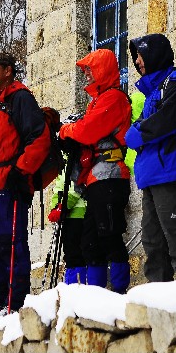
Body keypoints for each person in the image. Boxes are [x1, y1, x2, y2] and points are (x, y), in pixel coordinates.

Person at [124, 33, 176, 282]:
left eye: (140, 55)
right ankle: (158, 300)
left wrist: (138, 132)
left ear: (153, 54)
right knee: (153, 241)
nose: (137, 61)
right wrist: (137, 131)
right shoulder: (154, 90)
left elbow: (168, 120)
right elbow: (145, 123)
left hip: (171, 170)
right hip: (152, 174)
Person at [0, 51, 51, 316]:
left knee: (10, 242)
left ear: (8, 70)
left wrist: (21, 172)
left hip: (8, 183)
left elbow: (39, 137)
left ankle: (15, 300)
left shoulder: (20, 99)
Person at [58, 48, 132, 294]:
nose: (86, 74)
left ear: (102, 69)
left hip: (109, 176)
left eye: (90, 69)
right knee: (91, 241)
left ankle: (118, 292)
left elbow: (87, 131)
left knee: (109, 236)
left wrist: (65, 131)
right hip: (97, 178)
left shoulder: (113, 98)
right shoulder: (99, 100)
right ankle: (96, 297)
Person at [47, 169, 87, 284]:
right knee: (71, 255)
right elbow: (59, 186)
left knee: (76, 256)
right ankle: (71, 286)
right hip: (67, 213)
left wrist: (63, 206)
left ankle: (76, 287)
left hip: (80, 212)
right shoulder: (63, 160)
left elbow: (78, 186)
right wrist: (55, 206)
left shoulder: (76, 156)